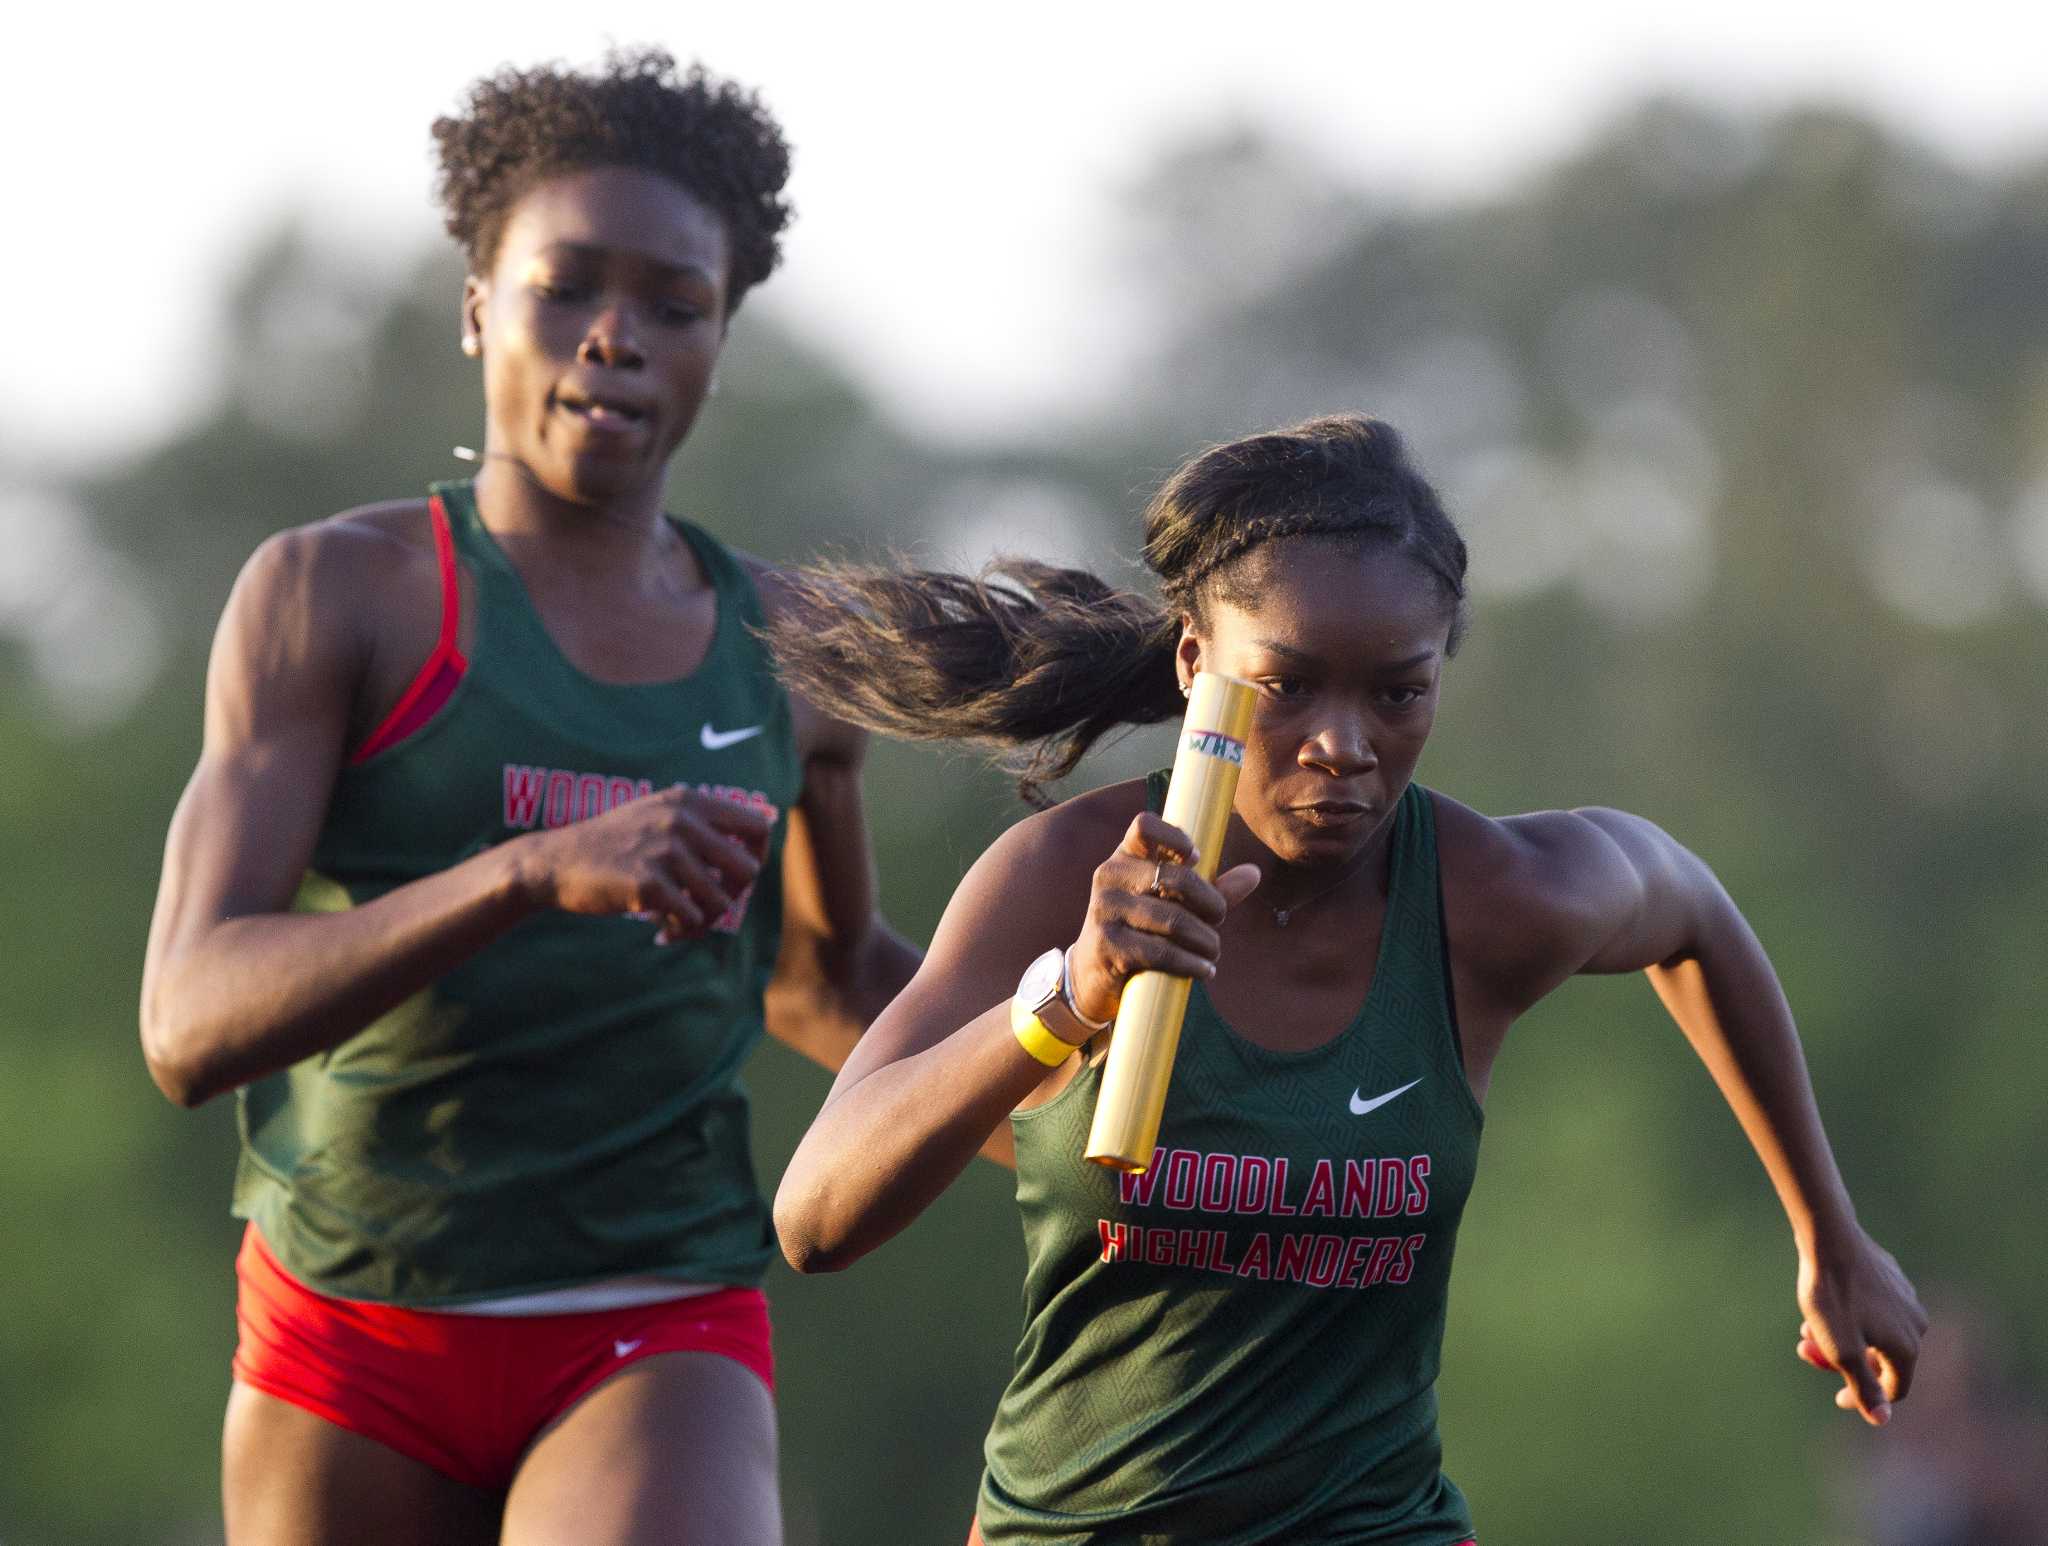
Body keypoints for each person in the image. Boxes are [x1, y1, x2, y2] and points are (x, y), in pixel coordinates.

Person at [767, 414, 1929, 1544]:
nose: (1342, 742)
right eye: (1287, 686)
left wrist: (1827, 1235)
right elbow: (815, 1217)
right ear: (1195, 662)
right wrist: (1069, 995)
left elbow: (1691, 909)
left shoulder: (1488, 896)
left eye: (1395, 691)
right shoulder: (1064, 873)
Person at [138, 48, 918, 1546]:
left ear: (718, 339)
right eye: (566, 289)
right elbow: (188, 1019)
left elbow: (822, 986)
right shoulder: (338, 593)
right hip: (352, 1317)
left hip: (657, 1309)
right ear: (480, 304)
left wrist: (1074, 1070)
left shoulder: (798, 650)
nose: (615, 339)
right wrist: (526, 871)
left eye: (674, 307)